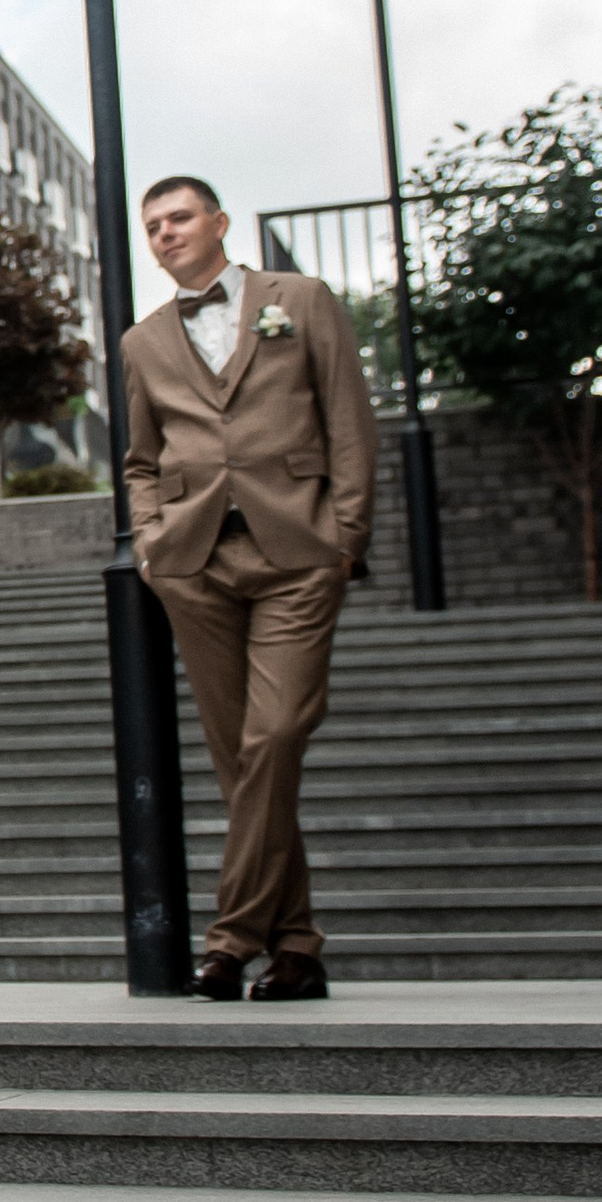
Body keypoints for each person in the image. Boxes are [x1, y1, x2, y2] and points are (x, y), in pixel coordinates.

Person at [124, 173, 380, 1003]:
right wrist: (152, 543)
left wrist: (346, 533)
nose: (167, 232)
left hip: (298, 550)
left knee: (275, 737)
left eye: (182, 216)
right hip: (195, 564)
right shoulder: (142, 341)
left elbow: (349, 417)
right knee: (242, 765)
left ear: (219, 221)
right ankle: (297, 950)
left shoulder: (298, 299)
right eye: (154, 224)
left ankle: (231, 939)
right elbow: (140, 458)